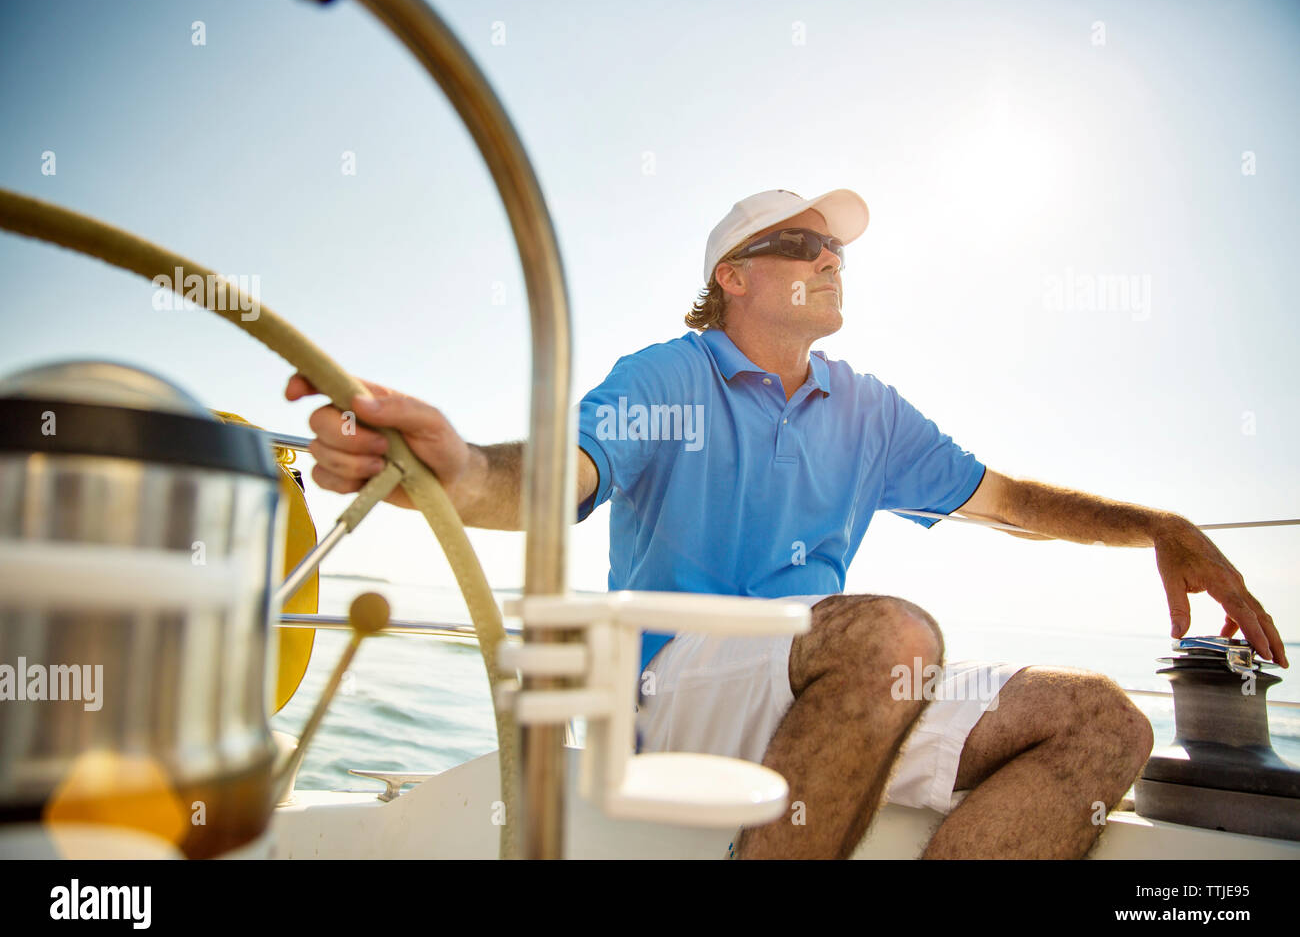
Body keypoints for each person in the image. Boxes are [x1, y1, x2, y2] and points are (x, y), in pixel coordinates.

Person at [287, 188, 1286, 860]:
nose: (829, 258)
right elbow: (551, 478)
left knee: (1105, 719)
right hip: (676, 679)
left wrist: (1159, 522)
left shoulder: (869, 409)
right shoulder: (667, 375)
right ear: (733, 276)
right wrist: (456, 470)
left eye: (836, 248)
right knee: (891, 631)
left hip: (837, 680)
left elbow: (1012, 503)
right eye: (800, 244)